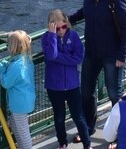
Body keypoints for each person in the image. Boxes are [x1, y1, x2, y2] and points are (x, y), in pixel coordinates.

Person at [69, 0, 126, 139]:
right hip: (92, 52)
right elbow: (86, 11)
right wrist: (69, 19)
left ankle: (120, 135)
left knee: (114, 94)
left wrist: (122, 54)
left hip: (113, 55)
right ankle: (88, 129)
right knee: (86, 92)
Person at [43, 9, 90, 149]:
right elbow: (51, 55)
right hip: (54, 87)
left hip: (72, 86)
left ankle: (87, 145)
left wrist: (59, 58)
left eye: (64, 26)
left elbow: (78, 58)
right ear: (51, 27)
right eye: (57, 28)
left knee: (79, 117)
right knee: (59, 118)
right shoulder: (46, 38)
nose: (61, 31)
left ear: (67, 24)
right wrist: (52, 36)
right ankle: (62, 144)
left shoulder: (74, 36)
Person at [0, 30, 36, 149]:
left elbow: (6, 83)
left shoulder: (16, 66)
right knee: (15, 124)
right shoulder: (26, 60)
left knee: (23, 132)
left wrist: (0, 67)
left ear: (12, 47)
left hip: (19, 104)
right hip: (26, 100)